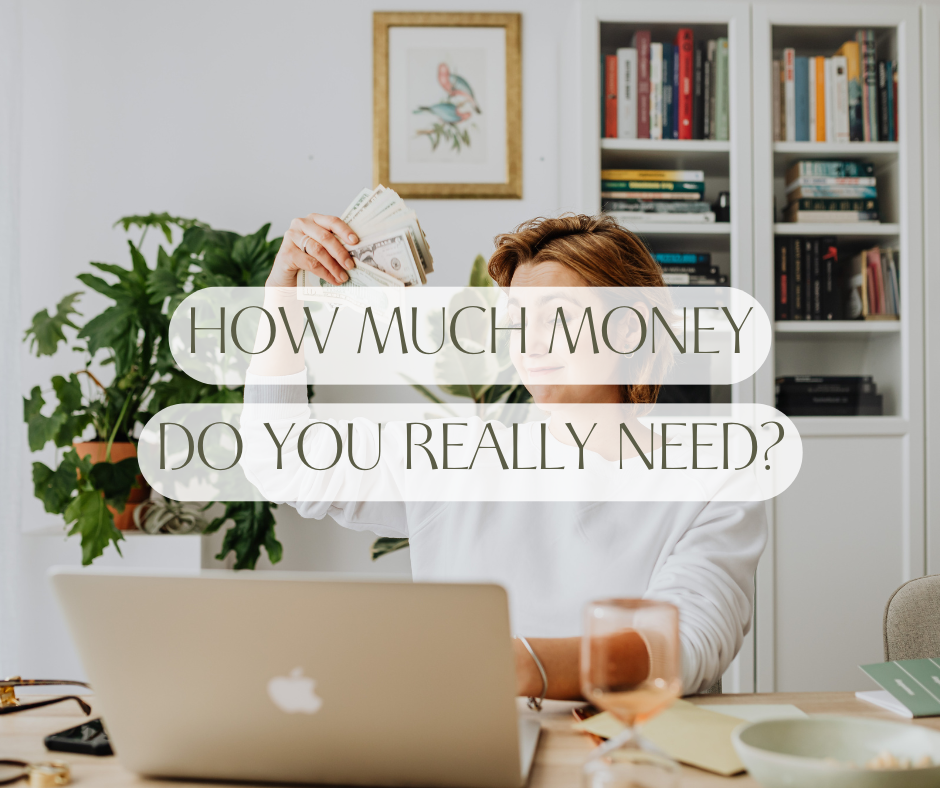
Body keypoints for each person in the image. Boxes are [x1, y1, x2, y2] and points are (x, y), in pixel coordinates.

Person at [242, 211, 767, 700]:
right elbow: (283, 466)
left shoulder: (713, 481)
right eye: (518, 319)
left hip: (624, 755)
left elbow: (690, 643)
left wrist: (514, 665)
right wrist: (281, 293)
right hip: (470, 747)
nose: (531, 343)